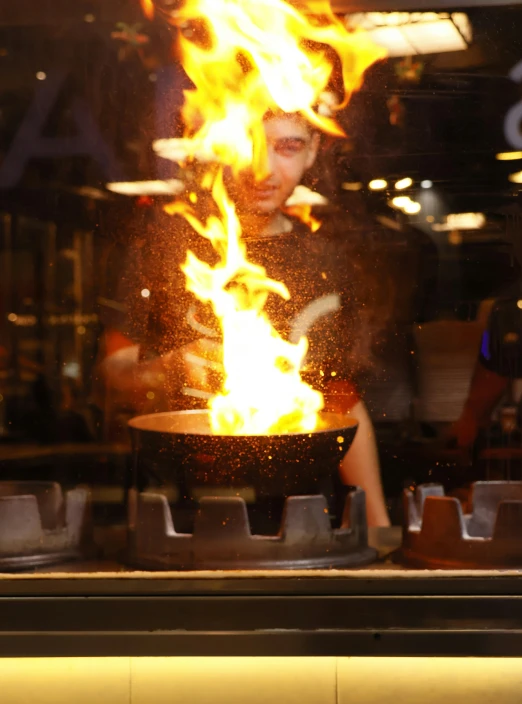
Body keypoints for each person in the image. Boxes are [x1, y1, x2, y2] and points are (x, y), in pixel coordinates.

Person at [98, 112, 391, 527]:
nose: (264, 167)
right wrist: (166, 369)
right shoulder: (162, 248)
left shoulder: (326, 262)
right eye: (244, 142)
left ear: (312, 153)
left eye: (287, 146)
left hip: (298, 511)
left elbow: (340, 398)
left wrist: (374, 518)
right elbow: (111, 372)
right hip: (180, 511)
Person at [451, 297, 522, 448]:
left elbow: (492, 370)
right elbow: (491, 357)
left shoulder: (507, 310)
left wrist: (471, 417)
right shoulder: (505, 310)